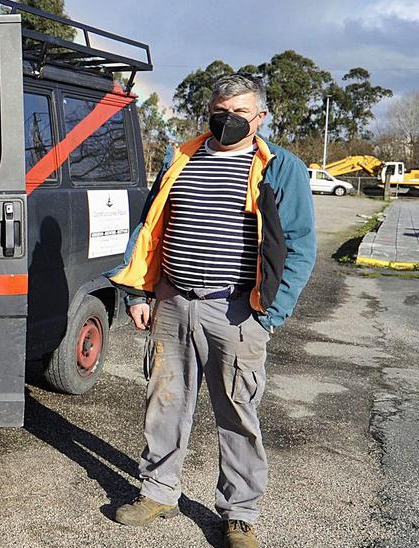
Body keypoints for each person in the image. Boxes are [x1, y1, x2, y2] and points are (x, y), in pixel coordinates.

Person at [105, 73, 315, 548]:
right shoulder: (180, 156)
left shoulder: (281, 167)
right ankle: (159, 491)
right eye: (221, 111)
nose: (229, 120)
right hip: (173, 301)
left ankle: (239, 512)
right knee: (164, 403)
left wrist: (271, 313)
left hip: (237, 310)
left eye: (240, 113)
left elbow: (300, 245)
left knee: (238, 412)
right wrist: (139, 294)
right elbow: (149, 226)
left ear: (260, 117)